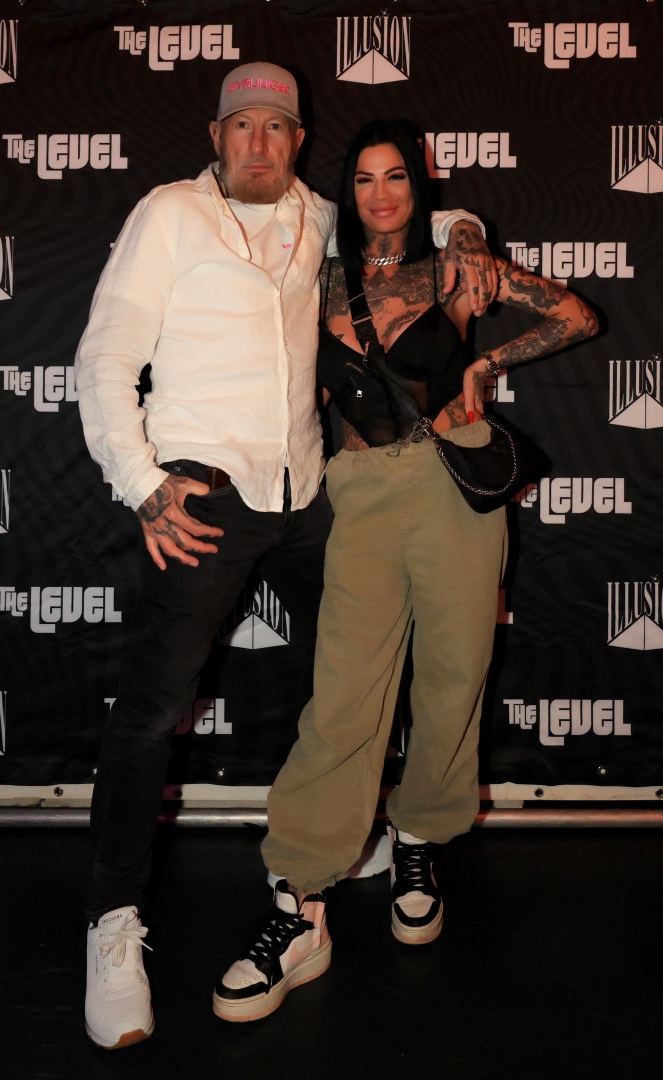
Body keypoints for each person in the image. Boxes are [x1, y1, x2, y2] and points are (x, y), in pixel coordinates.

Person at [75, 67, 497, 1050]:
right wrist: (142, 482)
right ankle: (111, 923)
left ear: (299, 140)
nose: (258, 143)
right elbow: (105, 356)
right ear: (215, 134)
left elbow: (418, 218)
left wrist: (466, 230)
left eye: (277, 127)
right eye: (242, 126)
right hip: (204, 497)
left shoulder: (322, 217)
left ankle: (339, 850)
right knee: (151, 713)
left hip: (308, 495)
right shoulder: (168, 214)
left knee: (352, 682)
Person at [213, 119, 599, 1023]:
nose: (381, 193)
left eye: (395, 176)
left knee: (455, 672)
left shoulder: (456, 269)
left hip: (450, 485)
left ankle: (417, 836)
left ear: (418, 183)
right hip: (357, 495)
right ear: (345, 192)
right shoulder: (317, 282)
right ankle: (300, 897)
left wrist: (486, 363)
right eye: (364, 179)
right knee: (345, 693)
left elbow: (576, 315)